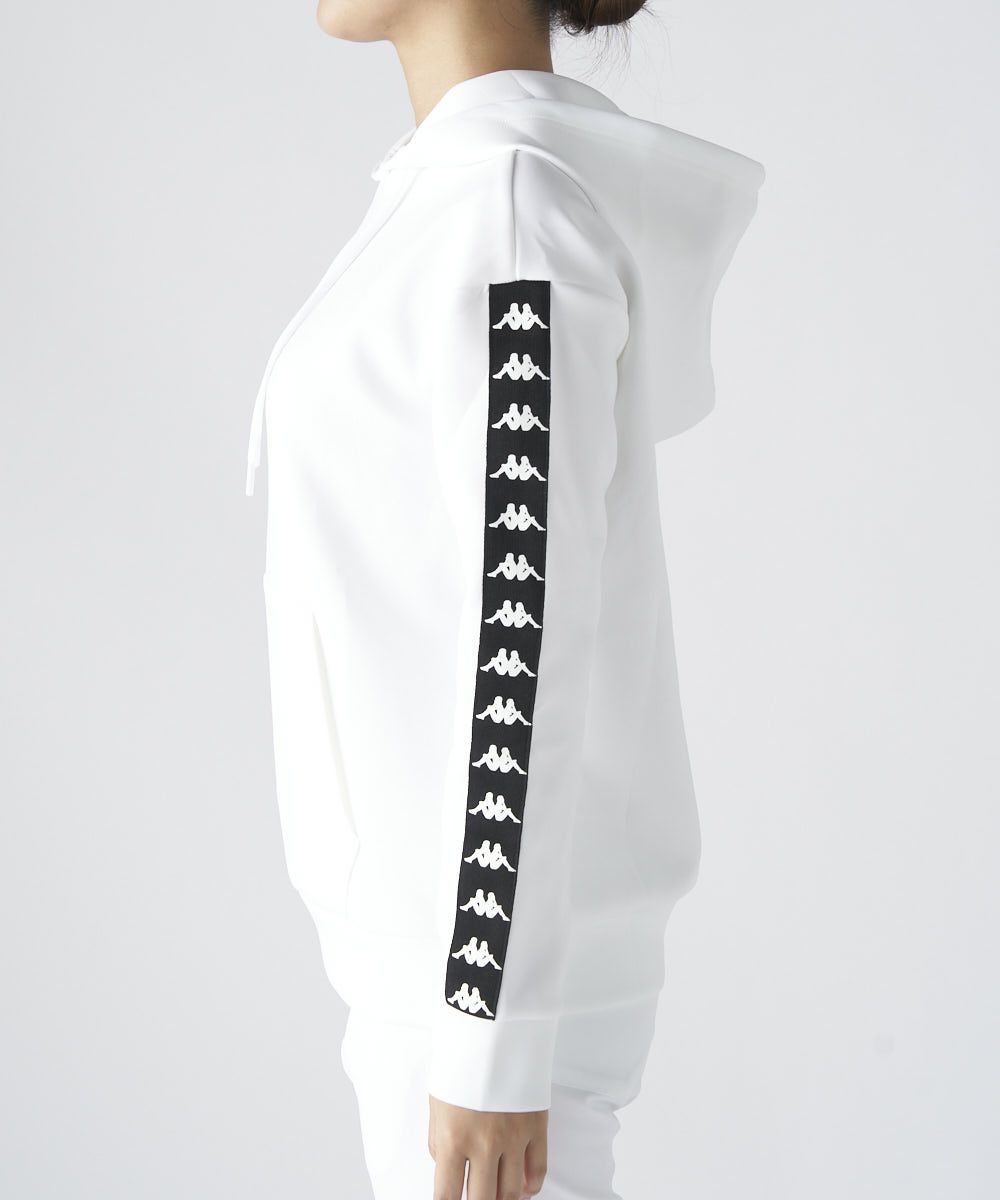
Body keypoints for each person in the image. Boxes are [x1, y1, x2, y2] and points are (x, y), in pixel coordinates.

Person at [244, 3, 764, 1197]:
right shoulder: (454, 197)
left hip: (477, 1010)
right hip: (433, 990)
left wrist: (490, 1034)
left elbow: (520, 632)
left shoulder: (507, 213)